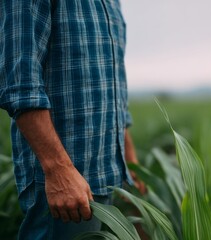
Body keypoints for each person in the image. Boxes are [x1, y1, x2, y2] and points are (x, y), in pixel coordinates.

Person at [0, 1, 144, 239]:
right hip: (65, 184)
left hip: (109, 174)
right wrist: (58, 169)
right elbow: (20, 85)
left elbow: (113, 80)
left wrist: (129, 158)